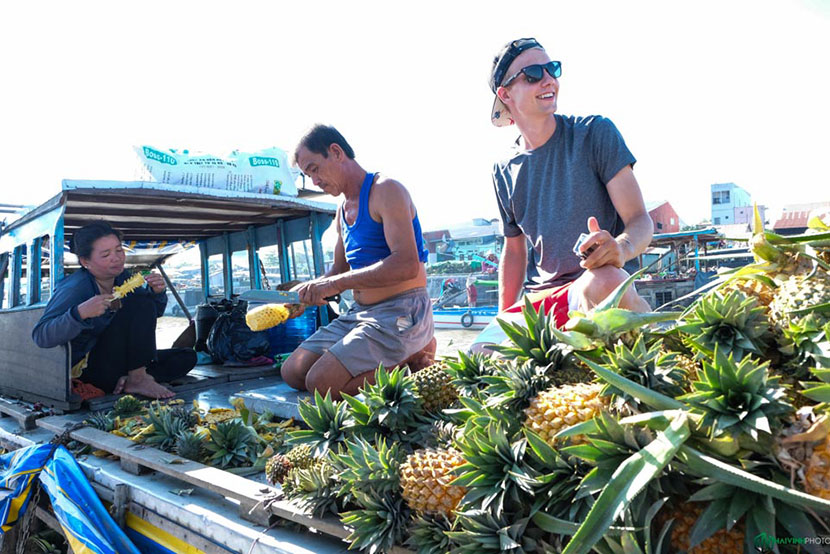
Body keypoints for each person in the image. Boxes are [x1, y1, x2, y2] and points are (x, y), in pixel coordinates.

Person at [473, 37, 653, 350]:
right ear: (505, 94)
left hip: (594, 284)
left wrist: (621, 249)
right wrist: (504, 318)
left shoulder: (595, 133)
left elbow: (640, 220)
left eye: (552, 68)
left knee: (609, 280)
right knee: (478, 358)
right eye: (533, 73)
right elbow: (514, 251)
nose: (548, 79)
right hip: (540, 302)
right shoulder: (503, 169)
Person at [280, 124, 435, 400]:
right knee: (293, 372)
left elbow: (406, 264)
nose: (314, 181)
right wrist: (308, 291)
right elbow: (338, 270)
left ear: (336, 152)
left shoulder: (386, 190)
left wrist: (335, 283)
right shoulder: (342, 210)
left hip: (401, 311)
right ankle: (401, 358)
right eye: (307, 174)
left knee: (320, 384)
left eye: (314, 169)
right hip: (360, 313)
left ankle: (412, 354)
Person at [32, 221, 196, 399]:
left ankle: (130, 379)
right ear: (85, 261)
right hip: (88, 368)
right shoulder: (75, 288)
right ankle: (137, 379)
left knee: (186, 357)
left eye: (119, 250)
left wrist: (157, 293)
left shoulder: (122, 277)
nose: (116, 258)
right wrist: (80, 313)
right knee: (140, 302)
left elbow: (151, 314)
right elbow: (41, 336)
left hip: (121, 363)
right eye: (106, 254)